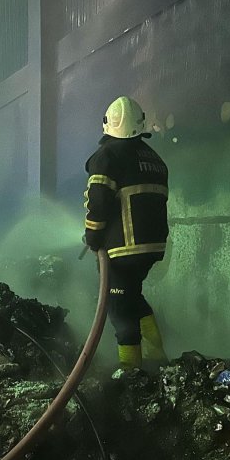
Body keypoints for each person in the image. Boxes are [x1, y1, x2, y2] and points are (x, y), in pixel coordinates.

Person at [83, 96, 168, 369]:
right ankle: (157, 356)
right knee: (132, 296)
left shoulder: (107, 156)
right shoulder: (153, 158)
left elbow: (98, 200)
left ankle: (132, 374)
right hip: (151, 248)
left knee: (120, 309)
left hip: (123, 249)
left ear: (108, 124)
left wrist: (93, 236)